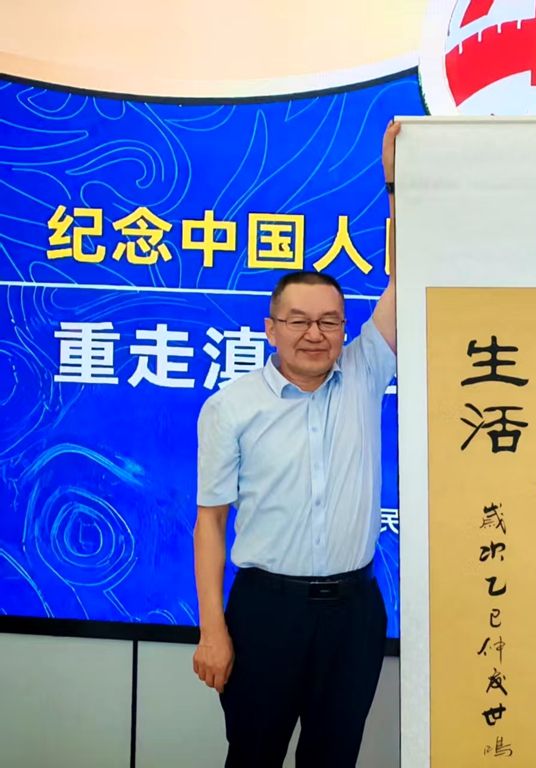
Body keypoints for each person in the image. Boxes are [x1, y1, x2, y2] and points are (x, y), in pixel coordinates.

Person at [191, 120, 401, 767]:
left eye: (330, 320)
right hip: (265, 613)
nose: (316, 333)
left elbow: (407, 276)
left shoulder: (365, 370)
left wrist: (395, 185)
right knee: (252, 756)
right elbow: (210, 523)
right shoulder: (232, 407)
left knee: (333, 758)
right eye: (299, 320)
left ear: (345, 328)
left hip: (353, 613)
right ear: (271, 328)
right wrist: (213, 630)